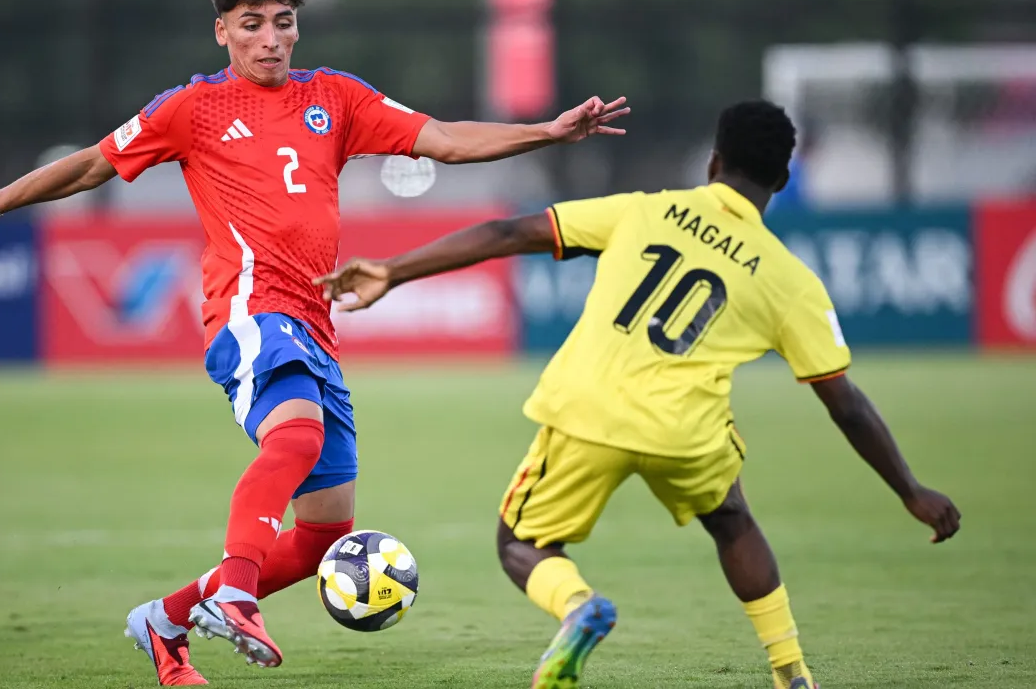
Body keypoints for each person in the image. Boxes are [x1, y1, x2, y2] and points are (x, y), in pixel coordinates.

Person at [0, 0, 628, 685]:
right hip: (249, 312)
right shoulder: (192, 108)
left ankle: (165, 621)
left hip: (314, 325)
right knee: (295, 436)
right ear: (222, 32)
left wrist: (547, 131)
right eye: (252, 25)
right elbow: (93, 165)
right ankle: (235, 594)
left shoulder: (336, 97)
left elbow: (446, 139)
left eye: (283, 22)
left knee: (320, 536)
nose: (270, 39)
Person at [315, 100, 962, 689]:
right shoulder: (791, 281)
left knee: (520, 543)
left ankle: (578, 608)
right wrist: (910, 490)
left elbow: (509, 234)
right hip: (687, 430)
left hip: (589, 411)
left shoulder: (646, 210)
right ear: (783, 179)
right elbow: (845, 402)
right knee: (731, 518)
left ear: (713, 163)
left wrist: (393, 270)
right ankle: (792, 671)